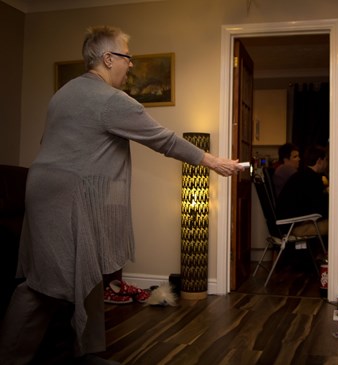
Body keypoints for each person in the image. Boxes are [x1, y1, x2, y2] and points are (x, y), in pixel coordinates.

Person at [0, 25, 243, 365]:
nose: (131, 65)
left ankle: (87, 353)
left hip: (42, 191)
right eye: (128, 58)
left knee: (87, 271)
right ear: (108, 58)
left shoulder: (64, 92)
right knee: (43, 286)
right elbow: (164, 139)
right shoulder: (111, 100)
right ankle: (11, 358)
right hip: (65, 198)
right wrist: (213, 161)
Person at [275, 145, 329, 237]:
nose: (327, 164)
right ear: (319, 161)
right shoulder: (313, 179)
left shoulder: (301, 176)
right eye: (326, 160)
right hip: (294, 226)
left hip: (289, 224)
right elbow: (320, 207)